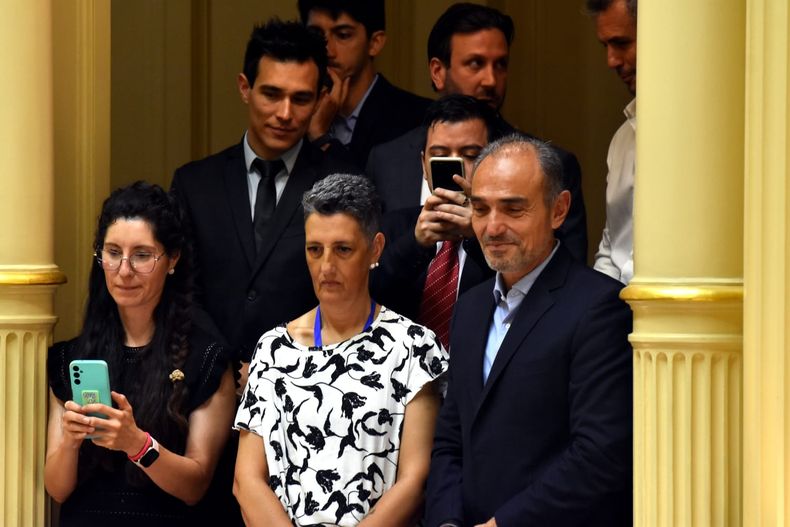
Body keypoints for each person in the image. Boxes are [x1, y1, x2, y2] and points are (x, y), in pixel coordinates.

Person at [426, 136, 632, 526]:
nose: (492, 226)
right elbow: (451, 441)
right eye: (480, 208)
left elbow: (599, 454)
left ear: (559, 210)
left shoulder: (600, 307)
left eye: (513, 209)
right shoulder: (469, 307)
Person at [234, 174, 448, 526]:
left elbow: (415, 480)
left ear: (375, 248)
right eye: (314, 249)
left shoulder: (414, 347)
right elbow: (247, 480)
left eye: (343, 249)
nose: (327, 266)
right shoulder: (273, 349)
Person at [44, 182, 236, 526]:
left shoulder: (206, 360)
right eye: (113, 252)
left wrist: (137, 444)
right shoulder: (70, 358)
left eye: (143, 255)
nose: (125, 269)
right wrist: (70, 444)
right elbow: (57, 489)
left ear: (172, 259)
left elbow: (195, 484)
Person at [171, 19, 357, 368]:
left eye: (301, 99)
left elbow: (351, 294)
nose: (285, 114)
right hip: (209, 383)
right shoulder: (195, 184)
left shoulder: (342, 183)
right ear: (245, 88)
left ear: (320, 98)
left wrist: (276, 369)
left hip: (308, 384)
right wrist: (222, 367)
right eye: (271, 94)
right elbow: (182, 293)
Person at [366, 3, 588, 262]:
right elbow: (369, 269)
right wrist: (415, 242)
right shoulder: (387, 161)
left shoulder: (550, 164)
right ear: (438, 72)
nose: (491, 80)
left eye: (500, 65)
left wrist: (482, 231)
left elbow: (568, 274)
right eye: (475, 64)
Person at [371, 94, 498, 347]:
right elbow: (367, 295)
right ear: (423, 164)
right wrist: (416, 243)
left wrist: (479, 235)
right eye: (440, 155)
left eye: (471, 155)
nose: (455, 166)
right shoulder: (393, 227)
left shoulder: (504, 232)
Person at [298, 0, 432, 168]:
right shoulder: (293, 112)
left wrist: (320, 137)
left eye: (343, 35)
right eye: (315, 34)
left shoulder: (419, 119)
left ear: (375, 43)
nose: (328, 50)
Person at [588, 0, 637, 284]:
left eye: (621, 43)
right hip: (617, 313)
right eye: (605, 46)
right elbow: (612, 245)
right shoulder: (622, 139)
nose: (611, 61)